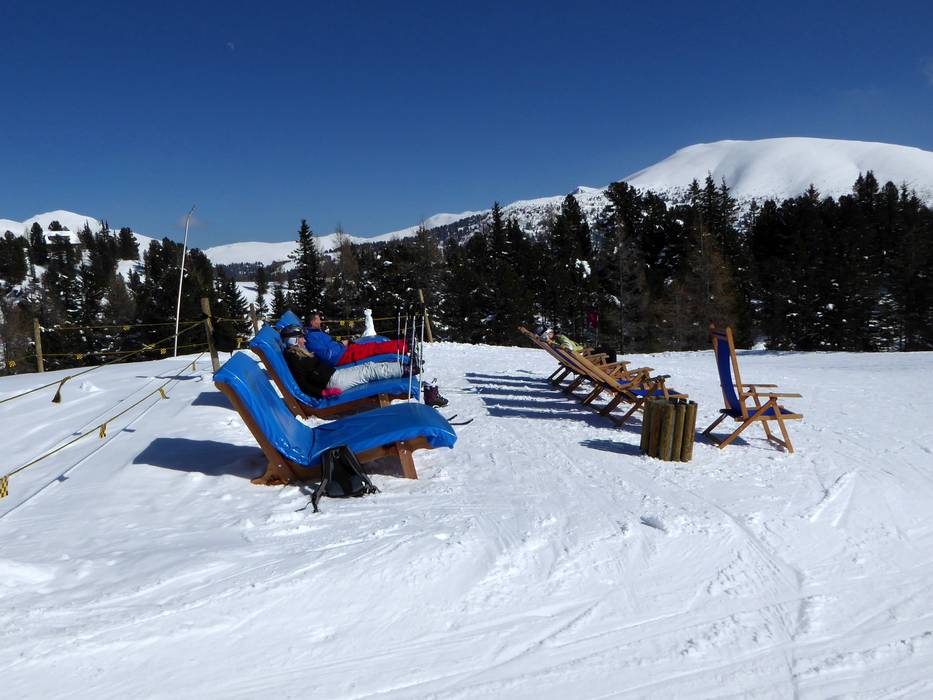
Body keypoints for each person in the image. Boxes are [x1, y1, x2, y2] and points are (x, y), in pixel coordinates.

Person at [280, 325, 415, 398]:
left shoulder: (298, 353)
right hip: (332, 382)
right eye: (301, 338)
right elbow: (302, 384)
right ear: (293, 340)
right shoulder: (293, 358)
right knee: (368, 371)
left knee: (368, 366)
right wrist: (322, 393)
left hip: (333, 375)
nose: (304, 340)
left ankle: (401, 367)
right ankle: (404, 370)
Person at [304, 313, 409, 367]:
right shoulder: (311, 338)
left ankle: (403, 346)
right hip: (341, 357)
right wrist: (341, 344)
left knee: (373, 345)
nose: (321, 321)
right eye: (318, 319)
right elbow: (327, 355)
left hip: (343, 351)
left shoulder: (315, 333)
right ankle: (405, 346)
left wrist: (341, 344)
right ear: (312, 322)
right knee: (373, 349)